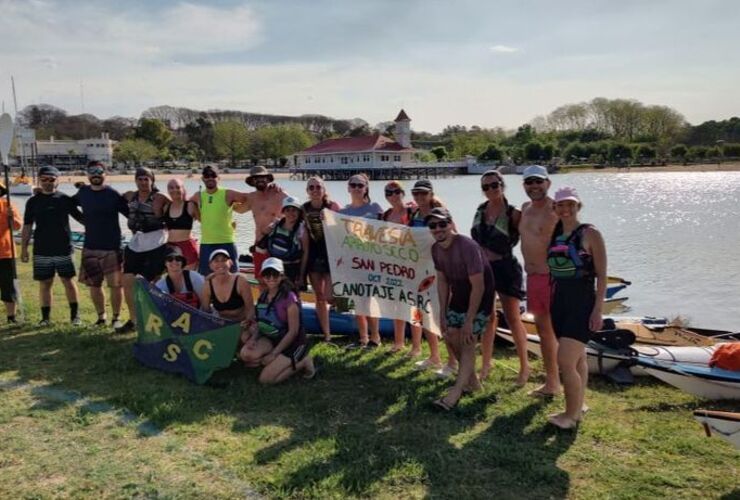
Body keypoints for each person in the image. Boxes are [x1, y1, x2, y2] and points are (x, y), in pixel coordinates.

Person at [546, 187, 606, 429]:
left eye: (570, 204)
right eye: (561, 205)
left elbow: (601, 276)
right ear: (555, 208)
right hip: (559, 301)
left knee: (565, 362)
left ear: (578, 206)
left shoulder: (590, 233)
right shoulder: (557, 233)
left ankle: (570, 416)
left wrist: (597, 310)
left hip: (582, 301)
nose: (566, 209)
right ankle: (579, 404)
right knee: (578, 357)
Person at [428, 208, 495, 411]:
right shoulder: (435, 249)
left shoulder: (467, 246)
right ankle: (473, 383)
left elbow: (479, 286)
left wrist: (469, 320)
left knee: (467, 340)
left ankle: (455, 393)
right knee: (450, 336)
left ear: (450, 223)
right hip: (459, 294)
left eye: (442, 224)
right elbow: (442, 281)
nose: (438, 229)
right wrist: (441, 312)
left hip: (480, 295)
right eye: (433, 226)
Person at [471, 170, 530, 384]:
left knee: (513, 317)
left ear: (502, 186)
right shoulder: (480, 209)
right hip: (484, 269)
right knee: (488, 318)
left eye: (494, 185)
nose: (490, 190)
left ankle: (524, 368)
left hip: (506, 267)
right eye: (485, 187)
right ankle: (486, 365)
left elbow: (531, 235)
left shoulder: (513, 213)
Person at [21, 166, 84, 326]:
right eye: (44, 179)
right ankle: (45, 318)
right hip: (42, 248)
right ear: (39, 180)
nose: (48, 183)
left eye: (51, 179)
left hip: (63, 247)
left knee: (68, 281)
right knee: (45, 283)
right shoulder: (32, 201)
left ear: (58, 181)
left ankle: (75, 316)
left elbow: (82, 218)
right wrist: (23, 249)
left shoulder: (64, 199)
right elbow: (27, 226)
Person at [238, 257, 316, 383]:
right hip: (272, 338)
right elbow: (260, 323)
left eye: (275, 274)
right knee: (246, 354)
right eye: (267, 275)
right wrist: (253, 339)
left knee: (266, 380)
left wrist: (274, 354)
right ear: (262, 276)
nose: (271, 278)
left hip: (293, 343)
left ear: (282, 276)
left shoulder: (289, 298)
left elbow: (293, 332)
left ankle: (304, 361)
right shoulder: (263, 296)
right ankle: (275, 361)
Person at [519, 165, 561, 397]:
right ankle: (552, 382)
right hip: (532, 278)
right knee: (544, 332)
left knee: (560, 332)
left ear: (548, 183)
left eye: (538, 181)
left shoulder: (557, 209)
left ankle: (568, 385)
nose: (534, 186)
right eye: (529, 182)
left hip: (552, 277)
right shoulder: (524, 209)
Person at [72, 161, 128, 328]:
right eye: (92, 171)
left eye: (99, 171)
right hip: (90, 246)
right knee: (94, 285)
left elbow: (130, 214)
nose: (96, 174)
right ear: (87, 174)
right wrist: (82, 220)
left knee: (115, 285)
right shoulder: (83, 193)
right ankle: (101, 317)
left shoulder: (113, 194)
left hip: (112, 247)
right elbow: (68, 204)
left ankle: (116, 318)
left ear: (105, 173)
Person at [408, 179, 454, 376]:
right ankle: (434, 356)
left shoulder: (441, 213)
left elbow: (454, 235)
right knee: (423, 312)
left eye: (423, 194)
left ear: (431, 194)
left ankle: (453, 362)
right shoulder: (415, 214)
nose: (419, 197)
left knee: (443, 314)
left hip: (440, 269)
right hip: (420, 269)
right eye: (416, 194)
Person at [118, 167, 170, 333]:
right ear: (135, 180)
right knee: (127, 280)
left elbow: (180, 207)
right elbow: (110, 198)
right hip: (136, 242)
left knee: (151, 284)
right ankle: (133, 319)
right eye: (140, 179)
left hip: (156, 242)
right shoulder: (129, 195)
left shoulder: (160, 198)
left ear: (152, 180)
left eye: (146, 179)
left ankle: (153, 319)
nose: (143, 182)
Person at [338, 174, 383, 349]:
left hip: (372, 262)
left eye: (360, 185)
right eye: (353, 185)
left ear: (366, 188)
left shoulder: (375, 207)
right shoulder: (342, 213)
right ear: (348, 188)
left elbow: (389, 230)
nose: (357, 188)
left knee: (370, 301)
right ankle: (363, 338)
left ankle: (375, 338)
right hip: (353, 263)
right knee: (358, 301)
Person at [381, 180, 422, 354]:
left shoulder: (412, 212)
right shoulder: (385, 215)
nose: (393, 196)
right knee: (396, 304)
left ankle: (417, 346)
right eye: (389, 193)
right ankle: (399, 342)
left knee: (414, 306)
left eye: (396, 192)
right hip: (393, 265)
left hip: (412, 265)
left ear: (403, 193)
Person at [302, 176, 341, 342]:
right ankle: (327, 334)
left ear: (324, 189)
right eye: (311, 188)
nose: (315, 190)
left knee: (332, 295)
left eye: (318, 187)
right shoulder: (304, 208)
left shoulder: (332, 206)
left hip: (331, 253)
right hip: (314, 254)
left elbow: (343, 229)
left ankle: (343, 314)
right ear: (307, 191)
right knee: (319, 296)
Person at [191, 165, 247, 275]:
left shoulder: (228, 193)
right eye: (207, 175)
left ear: (218, 177)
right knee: (205, 277)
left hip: (227, 241)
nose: (210, 178)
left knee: (233, 276)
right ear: (203, 178)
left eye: (213, 175)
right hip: (207, 243)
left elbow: (249, 198)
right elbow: (184, 203)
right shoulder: (198, 196)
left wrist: (237, 208)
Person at [243, 166, 289, 282]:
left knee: (280, 280)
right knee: (261, 280)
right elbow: (233, 206)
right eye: (256, 178)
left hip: (277, 244)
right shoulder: (251, 198)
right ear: (252, 181)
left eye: (262, 177)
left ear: (268, 179)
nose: (260, 180)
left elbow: (296, 211)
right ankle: (264, 300)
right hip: (259, 244)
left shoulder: (279, 194)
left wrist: (276, 223)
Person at [263, 196, 309, 289]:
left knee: (291, 296)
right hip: (275, 266)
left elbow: (306, 253)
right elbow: (263, 234)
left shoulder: (301, 229)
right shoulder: (276, 224)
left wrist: (301, 275)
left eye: (294, 210)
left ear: (299, 212)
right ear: (283, 212)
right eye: (288, 210)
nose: (291, 213)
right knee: (276, 294)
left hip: (292, 268)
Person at [201, 249, 255, 323]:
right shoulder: (208, 285)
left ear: (230, 263)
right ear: (210, 265)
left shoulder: (240, 281)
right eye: (216, 261)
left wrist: (248, 323)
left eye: (224, 260)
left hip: (242, 322)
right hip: (222, 324)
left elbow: (250, 308)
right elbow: (205, 311)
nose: (220, 263)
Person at [163, 178, 200, 270]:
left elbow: (204, 221)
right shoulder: (166, 207)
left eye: (178, 187)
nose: (174, 190)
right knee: (173, 278)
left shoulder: (190, 205)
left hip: (187, 247)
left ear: (183, 189)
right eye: (171, 187)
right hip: (170, 247)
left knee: (188, 278)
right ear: (168, 190)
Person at [0, 180, 22, 323]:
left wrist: (11, 216)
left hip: (6, 252)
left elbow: (17, 226)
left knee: (8, 286)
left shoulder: (8, 205)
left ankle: (11, 317)